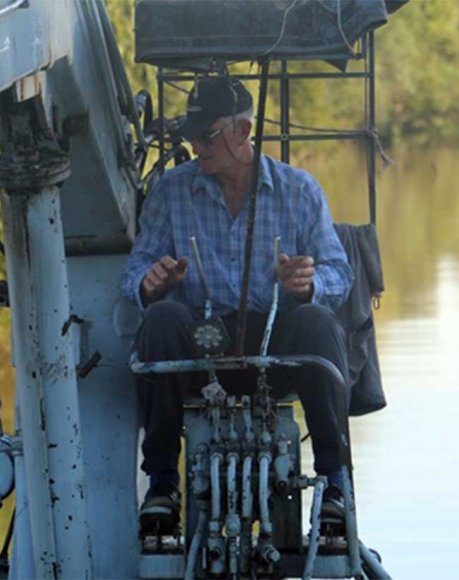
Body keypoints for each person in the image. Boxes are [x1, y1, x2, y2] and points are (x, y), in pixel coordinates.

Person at [121, 76, 354, 533]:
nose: (195, 145)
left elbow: (339, 273)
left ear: (244, 131)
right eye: (191, 134)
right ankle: (163, 484)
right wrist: (152, 284)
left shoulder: (299, 190)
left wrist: (306, 284)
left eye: (206, 136)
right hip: (200, 349)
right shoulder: (171, 191)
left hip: (275, 346)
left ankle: (334, 482)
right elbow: (134, 273)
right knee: (162, 317)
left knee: (318, 323)